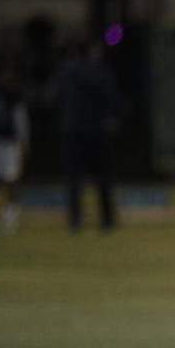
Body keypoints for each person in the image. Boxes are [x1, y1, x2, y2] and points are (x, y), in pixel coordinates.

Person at [56, 38, 122, 232]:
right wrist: (112, 117)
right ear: (93, 51)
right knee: (103, 178)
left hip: (73, 131)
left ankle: (75, 220)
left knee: (74, 180)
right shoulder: (101, 71)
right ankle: (107, 220)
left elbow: (58, 98)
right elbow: (112, 99)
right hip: (97, 131)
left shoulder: (66, 72)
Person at [0, 52, 28, 235]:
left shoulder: (12, 92)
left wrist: (23, 140)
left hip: (8, 140)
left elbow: (20, 116)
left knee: (11, 178)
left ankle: (10, 215)